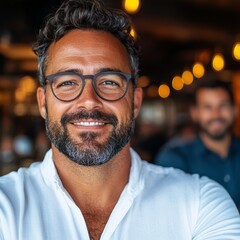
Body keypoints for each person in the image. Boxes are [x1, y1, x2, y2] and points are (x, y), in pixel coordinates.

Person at [0, 1, 240, 239]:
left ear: (135, 101)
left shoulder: (200, 203)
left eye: (109, 82)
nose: (89, 100)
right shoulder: (6, 208)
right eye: (67, 83)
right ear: (43, 102)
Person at [155, 80, 240, 210]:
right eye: (207, 107)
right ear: (195, 113)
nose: (216, 114)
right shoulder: (174, 159)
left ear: (235, 109)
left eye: (223, 106)